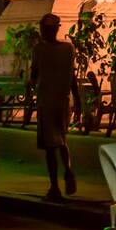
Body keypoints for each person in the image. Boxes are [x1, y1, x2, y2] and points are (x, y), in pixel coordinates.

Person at [29, 13, 81, 200]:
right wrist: (78, 100)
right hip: (63, 101)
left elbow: (33, 74)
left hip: (46, 101)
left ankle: (54, 188)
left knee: (50, 147)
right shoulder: (68, 49)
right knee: (61, 139)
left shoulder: (39, 49)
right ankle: (68, 170)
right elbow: (72, 77)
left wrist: (31, 88)